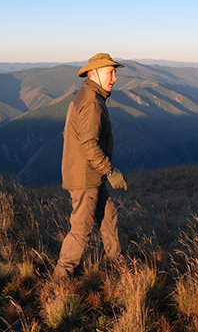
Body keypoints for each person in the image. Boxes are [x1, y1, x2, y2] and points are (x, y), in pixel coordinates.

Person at [53, 53, 129, 280]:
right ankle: (60, 279)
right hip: (86, 177)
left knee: (109, 214)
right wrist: (111, 171)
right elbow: (88, 146)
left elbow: (70, 133)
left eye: (114, 72)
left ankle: (114, 263)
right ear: (94, 73)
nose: (114, 78)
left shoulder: (85, 96)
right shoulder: (92, 102)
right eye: (110, 72)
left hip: (91, 174)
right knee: (81, 229)